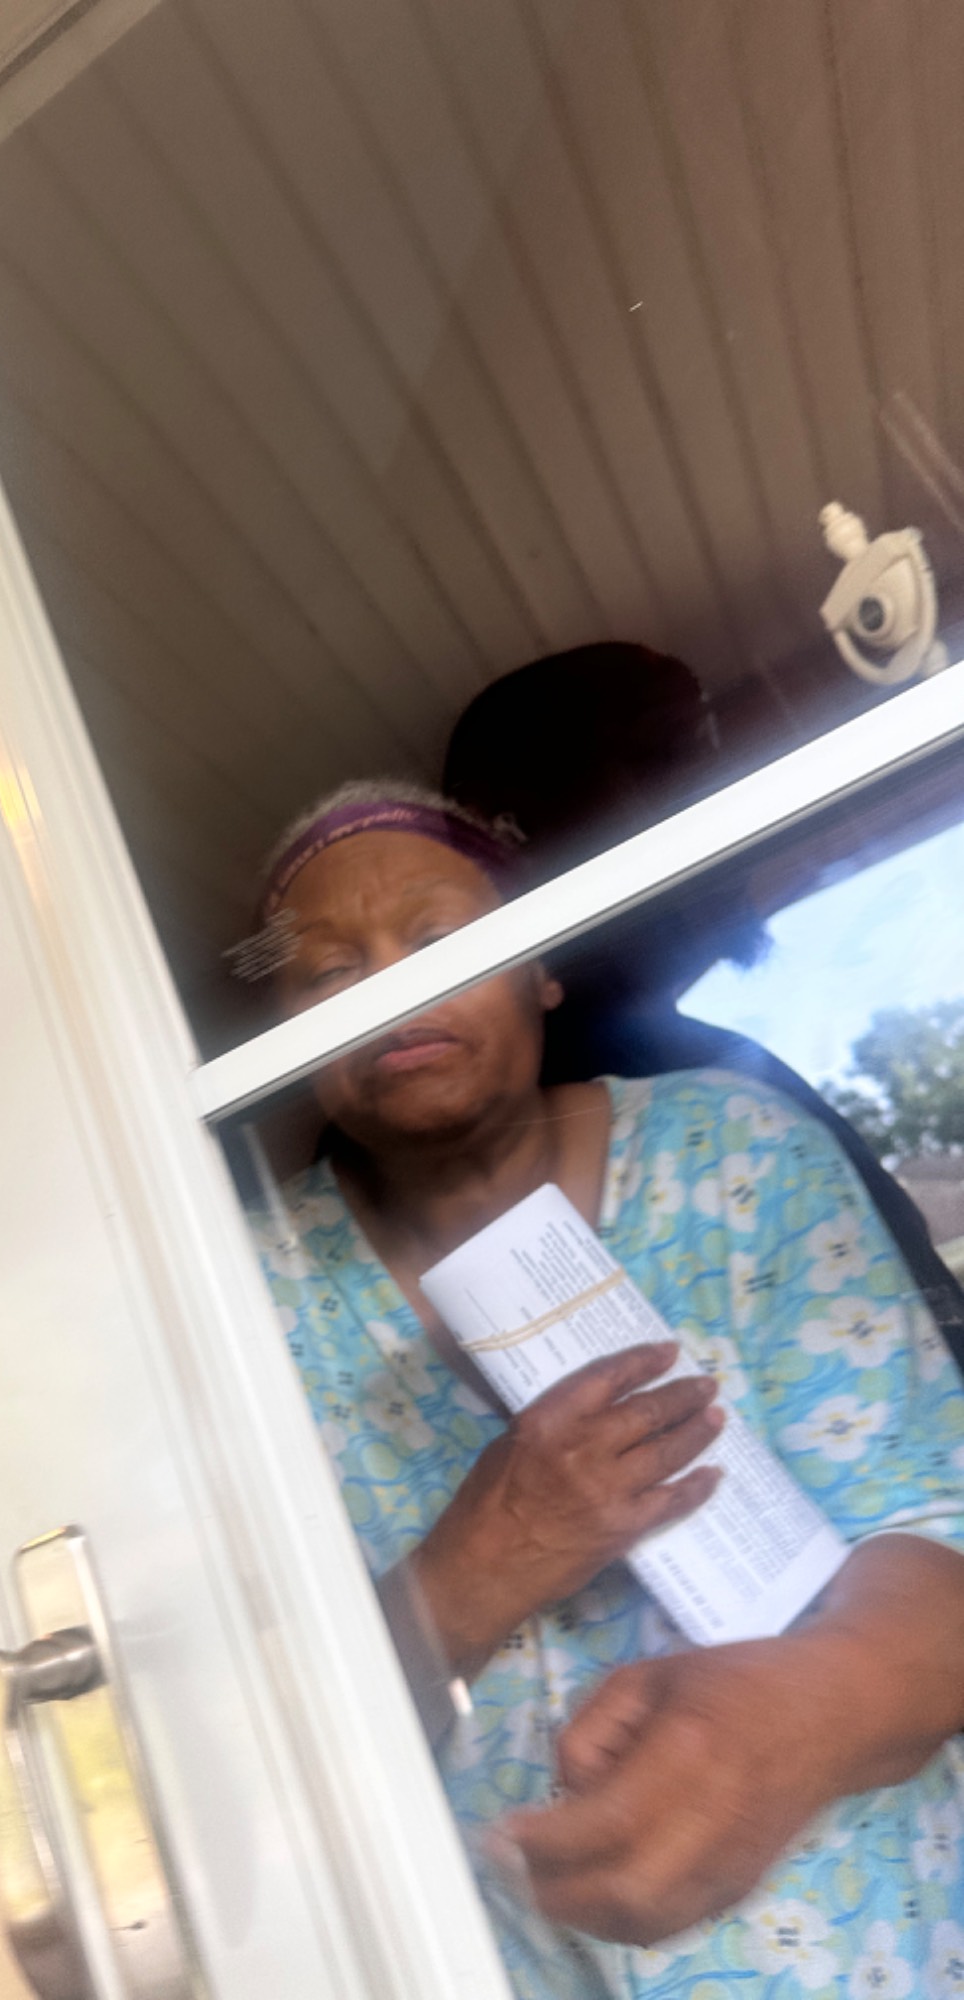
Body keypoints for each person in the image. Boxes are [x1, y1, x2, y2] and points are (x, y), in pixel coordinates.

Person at [246, 780, 964, 2000]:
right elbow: (246, 1751)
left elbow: (941, 1535)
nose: (390, 988)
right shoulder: (252, 1297)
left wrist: (802, 1713)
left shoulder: (734, 1152)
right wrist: (475, 1565)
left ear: (541, 969)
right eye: (329, 970)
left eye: (436, 935)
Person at [442, 641, 964, 1370]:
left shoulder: (699, 1064)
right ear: (516, 839)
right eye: (666, 758)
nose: (719, 791)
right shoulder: (490, 1133)